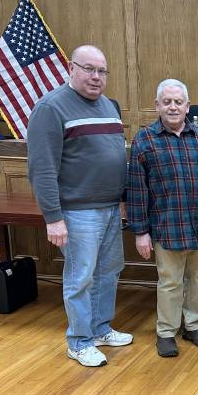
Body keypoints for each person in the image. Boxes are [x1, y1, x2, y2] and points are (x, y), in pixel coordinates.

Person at [27, 45, 132, 367]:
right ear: (71, 68)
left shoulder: (108, 106)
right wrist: (53, 218)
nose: (96, 77)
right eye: (89, 69)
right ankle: (79, 341)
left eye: (102, 71)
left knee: (108, 272)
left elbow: (115, 157)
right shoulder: (51, 108)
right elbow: (41, 168)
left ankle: (100, 329)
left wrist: (123, 200)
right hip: (77, 213)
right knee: (81, 277)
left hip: (111, 208)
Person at [126, 79, 198, 358]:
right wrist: (141, 232)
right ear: (157, 106)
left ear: (188, 106)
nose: (173, 107)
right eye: (167, 102)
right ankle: (166, 331)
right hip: (166, 227)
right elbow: (137, 191)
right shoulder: (145, 140)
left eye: (179, 102)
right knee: (170, 281)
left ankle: (193, 325)